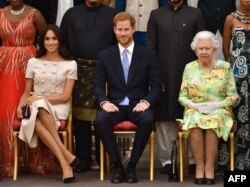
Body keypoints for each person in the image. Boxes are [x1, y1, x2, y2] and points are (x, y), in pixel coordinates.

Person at [94, 12, 161, 183]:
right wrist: (104, 102)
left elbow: (156, 87)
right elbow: (98, 86)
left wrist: (146, 102)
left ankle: (132, 166)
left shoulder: (147, 54)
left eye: (126, 29)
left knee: (147, 119)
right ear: (114, 30)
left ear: (133, 29)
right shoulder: (105, 56)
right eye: (119, 29)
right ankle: (117, 165)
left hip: (138, 104)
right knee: (101, 120)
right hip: (115, 105)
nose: (123, 33)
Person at [147, 0, 205, 174]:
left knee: (190, 115)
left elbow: (201, 47)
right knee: (165, 116)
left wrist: (200, 77)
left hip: (191, 76)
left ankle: (193, 159)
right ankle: (167, 161)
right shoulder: (156, 15)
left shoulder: (195, 14)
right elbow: (151, 49)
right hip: (163, 74)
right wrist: (155, 78)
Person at [60, 0, 118, 172]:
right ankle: (84, 159)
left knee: (103, 114)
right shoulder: (71, 14)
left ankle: (105, 158)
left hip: (105, 71)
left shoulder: (112, 15)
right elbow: (63, 43)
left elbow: (119, 43)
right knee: (80, 117)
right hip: (78, 71)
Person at [17, 24, 78, 183]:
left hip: (58, 106)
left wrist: (40, 100)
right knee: (35, 114)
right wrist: (20, 105)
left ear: (60, 41)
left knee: (38, 108)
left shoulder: (70, 64)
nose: (50, 42)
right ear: (42, 41)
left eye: (54, 39)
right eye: (47, 39)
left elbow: (65, 96)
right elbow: (27, 91)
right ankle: (65, 159)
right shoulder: (33, 62)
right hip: (35, 104)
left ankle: (65, 161)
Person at [178, 31, 238, 184]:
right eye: (201, 49)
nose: (204, 52)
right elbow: (182, 97)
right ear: (195, 50)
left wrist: (216, 105)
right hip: (195, 108)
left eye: (207, 48)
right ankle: (199, 167)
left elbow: (233, 96)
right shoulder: (189, 67)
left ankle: (210, 167)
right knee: (196, 122)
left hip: (219, 110)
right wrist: (195, 105)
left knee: (213, 122)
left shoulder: (225, 67)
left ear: (214, 49)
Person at [0, 0, 46, 176]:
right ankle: (10, 160)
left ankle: (33, 159)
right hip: (4, 64)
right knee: (6, 109)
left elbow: (46, 37)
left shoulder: (35, 14)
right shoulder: (1, 13)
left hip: (29, 62)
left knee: (29, 106)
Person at [223, 0, 250, 171]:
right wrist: (232, 69)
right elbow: (226, 48)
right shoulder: (230, 19)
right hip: (237, 76)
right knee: (238, 117)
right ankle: (237, 163)